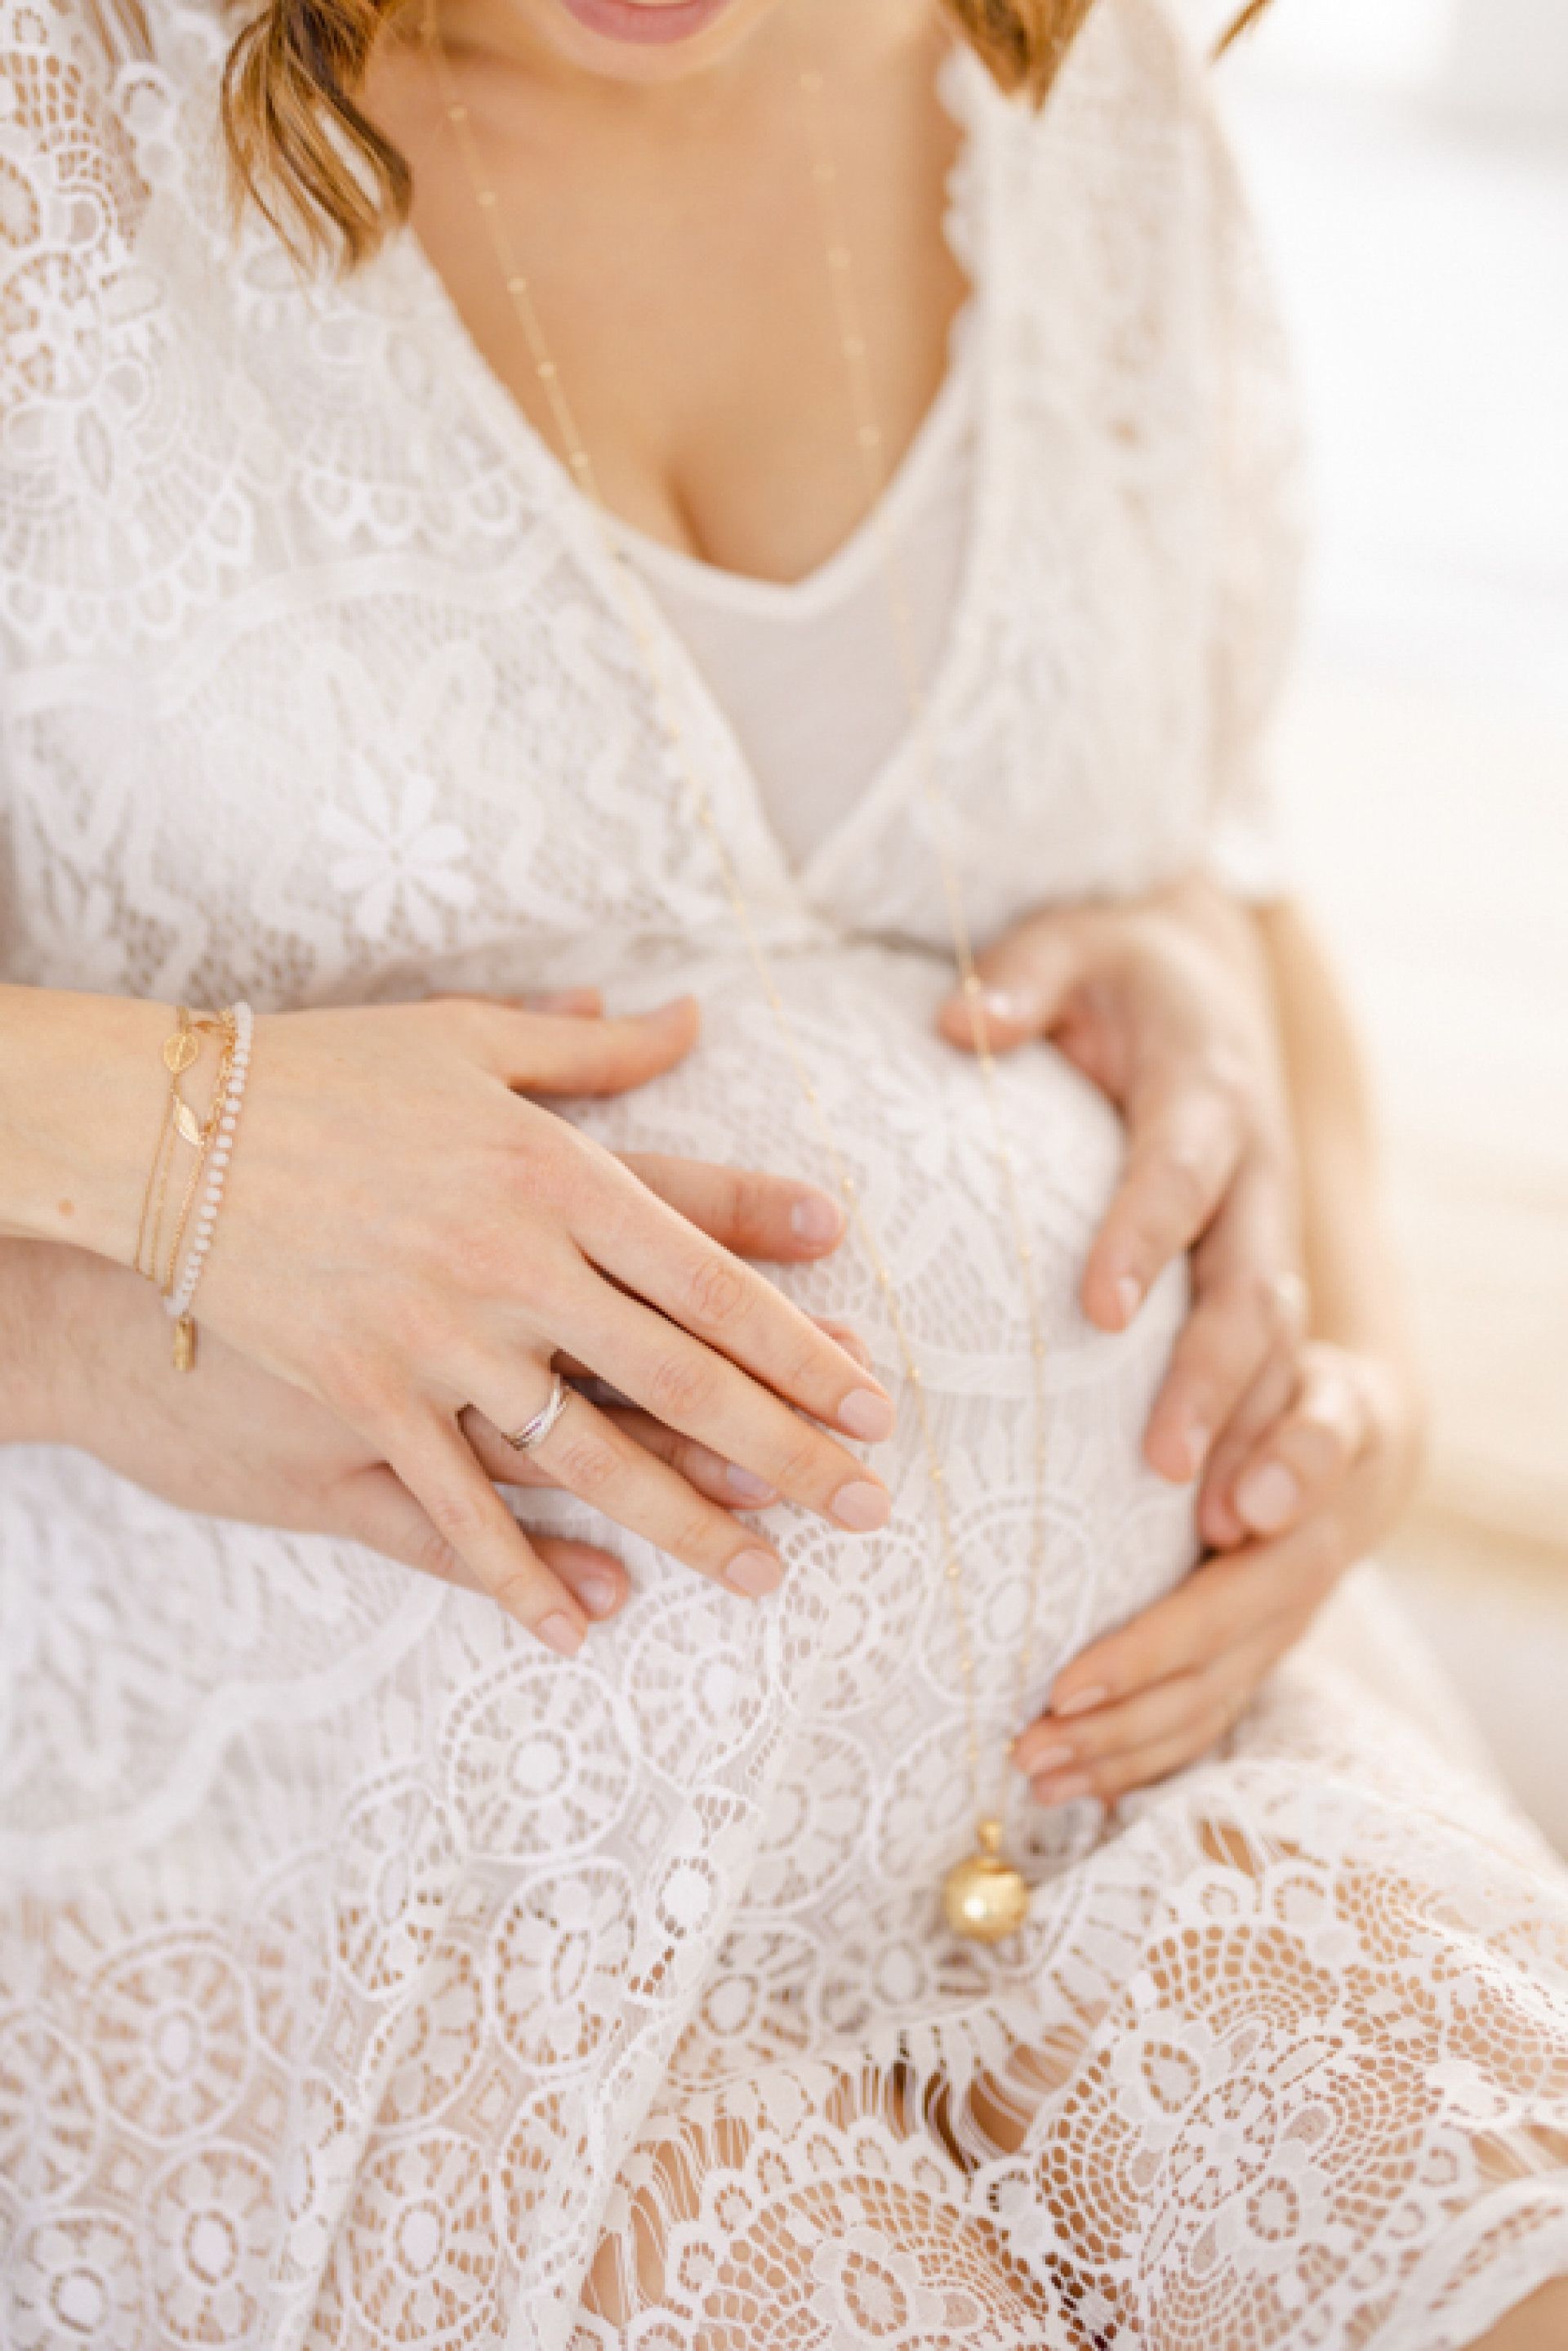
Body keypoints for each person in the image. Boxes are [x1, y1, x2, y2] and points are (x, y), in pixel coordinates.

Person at [2, 0, 1566, 2340]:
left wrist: (1366, 1367)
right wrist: (181, 1149)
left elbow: (1227, 856)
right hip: (332, 1874)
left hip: (1114, 1789)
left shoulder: (1073, 90)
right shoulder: (55, 126)